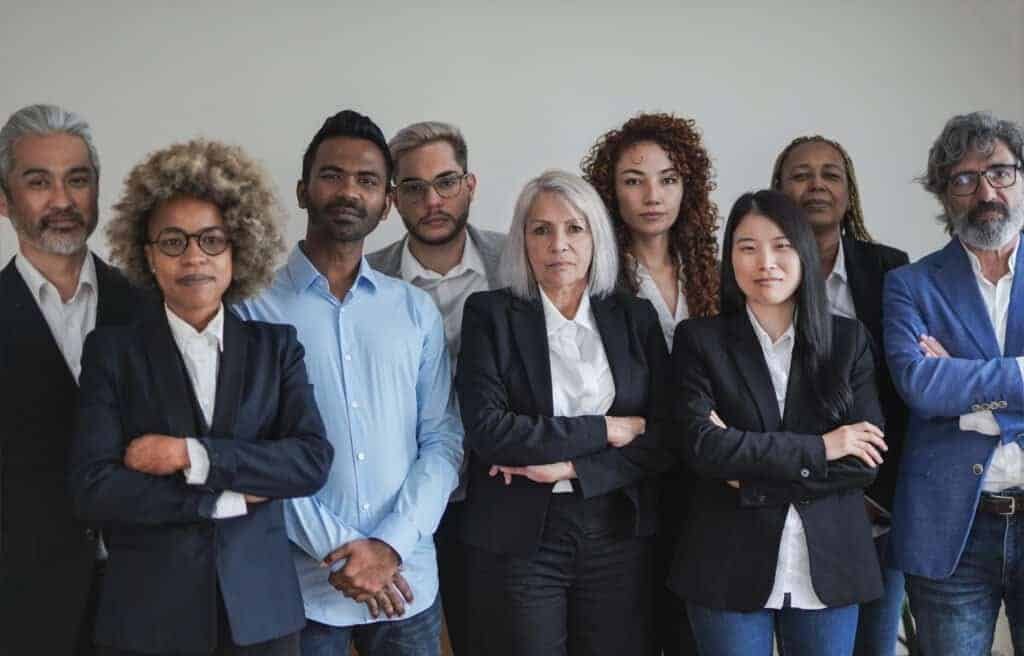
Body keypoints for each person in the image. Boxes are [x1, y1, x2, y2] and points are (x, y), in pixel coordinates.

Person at [68, 139, 334, 655]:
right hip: (148, 619)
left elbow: (309, 462)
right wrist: (224, 498)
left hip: (262, 618)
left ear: (239, 248)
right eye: (173, 241)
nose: (194, 257)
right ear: (147, 255)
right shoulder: (112, 352)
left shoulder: (275, 349)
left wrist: (190, 456)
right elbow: (94, 488)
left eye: (211, 240)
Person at [237, 109, 462, 656]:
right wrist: (340, 550)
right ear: (302, 190)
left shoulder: (414, 311)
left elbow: (443, 442)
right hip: (302, 588)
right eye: (332, 175)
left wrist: (387, 546)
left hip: (406, 582)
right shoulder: (251, 308)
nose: (348, 192)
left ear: (386, 202)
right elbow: (251, 454)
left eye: (366, 181)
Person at [456, 169, 667, 656]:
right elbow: (491, 431)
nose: (559, 245)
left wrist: (572, 466)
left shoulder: (634, 317)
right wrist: (607, 428)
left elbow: (664, 437)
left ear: (597, 237)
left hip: (618, 527)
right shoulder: (489, 315)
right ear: (522, 241)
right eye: (541, 229)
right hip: (523, 534)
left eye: (575, 228)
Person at [671, 189, 886, 656]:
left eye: (781, 245)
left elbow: (864, 464)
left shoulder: (848, 341)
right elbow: (702, 449)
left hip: (830, 564)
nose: (764, 261)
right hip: (726, 564)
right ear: (730, 258)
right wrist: (823, 447)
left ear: (805, 253)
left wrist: (747, 474)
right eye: (747, 247)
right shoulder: (700, 341)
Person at [0, 104, 142, 655]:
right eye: (39, 182)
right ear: (5, 198)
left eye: (77, 180)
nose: (62, 201)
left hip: (144, 599)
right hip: (25, 608)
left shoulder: (149, 308)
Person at [884, 111, 1024, 655]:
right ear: (945, 195)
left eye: (1000, 172)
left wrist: (967, 394)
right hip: (952, 535)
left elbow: (944, 388)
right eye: (964, 179)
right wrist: (1018, 373)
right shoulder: (910, 284)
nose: (986, 190)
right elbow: (920, 386)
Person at [581, 112, 718, 656]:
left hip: (707, 479)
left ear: (689, 187)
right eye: (633, 180)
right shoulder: (596, 277)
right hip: (628, 479)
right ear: (610, 193)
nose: (652, 195)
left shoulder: (713, 268)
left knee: (695, 633)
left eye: (668, 178)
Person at [367, 122, 503, 654]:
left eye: (446, 182)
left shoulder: (515, 264)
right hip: (399, 496)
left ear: (470, 184)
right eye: (414, 188)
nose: (433, 200)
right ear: (392, 197)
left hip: (499, 492)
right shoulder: (367, 276)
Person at [771, 135, 909, 656]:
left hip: (880, 493)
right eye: (800, 174)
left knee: (875, 641)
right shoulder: (758, 269)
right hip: (783, 487)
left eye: (831, 174)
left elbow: (903, 385)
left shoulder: (890, 268)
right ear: (779, 191)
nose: (816, 185)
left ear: (849, 193)